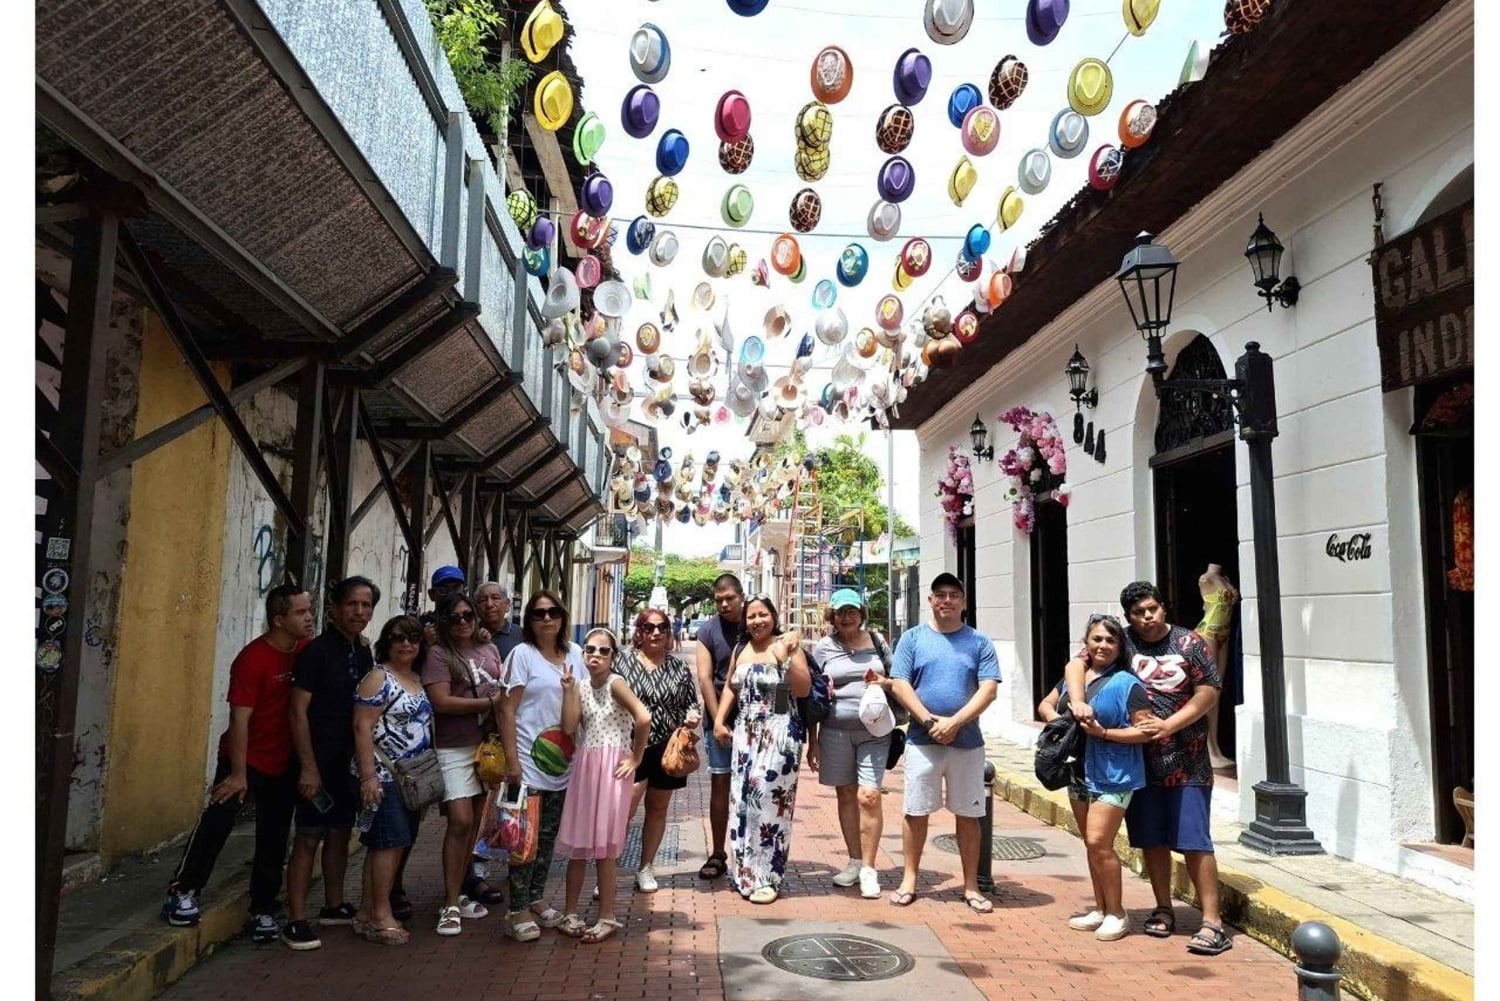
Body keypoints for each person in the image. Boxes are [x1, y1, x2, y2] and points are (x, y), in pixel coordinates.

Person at [1064, 581, 1228, 955]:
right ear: (1129, 618)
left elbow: (1208, 691)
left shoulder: (1190, 644)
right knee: (1152, 840)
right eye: (1138, 613)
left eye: (1152, 608)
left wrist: (1170, 725)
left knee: (1194, 840)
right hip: (1141, 763)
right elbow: (1077, 663)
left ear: (1163, 608)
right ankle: (1163, 907)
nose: (1147, 617)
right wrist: (1077, 701)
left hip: (1188, 760)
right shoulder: (1122, 642)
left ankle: (1212, 922)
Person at [162, 586, 315, 938]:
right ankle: (183, 891)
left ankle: (262, 909)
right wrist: (238, 773)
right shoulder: (252, 660)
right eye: (300, 612)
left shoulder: (306, 651)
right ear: (279, 619)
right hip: (244, 759)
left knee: (274, 837)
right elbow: (239, 720)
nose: (308, 617)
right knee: (217, 822)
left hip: (284, 761)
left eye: (310, 610)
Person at [887, 572, 1001, 912]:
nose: (947, 600)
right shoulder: (912, 639)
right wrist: (929, 721)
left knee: (968, 814)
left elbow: (989, 688)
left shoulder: (979, 642)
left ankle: (970, 886)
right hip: (922, 740)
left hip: (967, 742)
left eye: (954, 594)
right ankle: (909, 879)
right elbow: (900, 684)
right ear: (931, 600)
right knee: (915, 811)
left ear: (963, 602)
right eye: (941, 595)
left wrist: (955, 722)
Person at [1038, 615, 1153, 942]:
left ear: (1120, 647)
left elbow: (1143, 732)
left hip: (1115, 774)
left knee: (1099, 843)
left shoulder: (1128, 685)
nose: (1103, 645)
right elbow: (1046, 705)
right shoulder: (1074, 677)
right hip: (1078, 770)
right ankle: (1101, 908)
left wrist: (1104, 733)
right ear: (1086, 643)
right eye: (1097, 639)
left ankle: (1117, 912)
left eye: (1110, 640)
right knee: (1090, 844)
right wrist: (1061, 722)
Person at [283, 576, 377, 950]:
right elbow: (296, 713)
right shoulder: (315, 652)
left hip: (347, 764)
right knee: (308, 838)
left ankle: (333, 905)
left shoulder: (363, 652)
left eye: (366, 605)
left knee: (340, 832)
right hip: (315, 762)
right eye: (352, 604)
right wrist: (308, 767)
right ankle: (295, 919)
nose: (359, 612)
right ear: (334, 609)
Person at [498, 589, 585, 942]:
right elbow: (505, 709)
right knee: (523, 840)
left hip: (562, 764)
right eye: (538, 613)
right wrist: (512, 762)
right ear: (529, 620)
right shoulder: (522, 655)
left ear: (563, 616)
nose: (546, 619)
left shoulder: (575, 654)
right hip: (527, 763)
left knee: (547, 838)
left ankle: (535, 897)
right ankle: (515, 909)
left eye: (552, 612)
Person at [713, 595, 811, 904]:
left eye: (763, 615)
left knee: (769, 804)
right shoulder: (740, 650)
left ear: (774, 615)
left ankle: (768, 878)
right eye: (751, 616)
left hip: (779, 734)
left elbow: (803, 689)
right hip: (746, 736)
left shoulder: (788, 645)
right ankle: (745, 872)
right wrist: (719, 719)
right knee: (743, 803)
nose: (757, 621)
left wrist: (785, 658)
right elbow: (731, 685)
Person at [556, 629, 651, 943]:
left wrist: (636, 758)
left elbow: (643, 717)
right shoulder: (582, 686)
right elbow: (569, 727)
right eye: (589, 649)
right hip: (586, 767)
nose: (594, 655)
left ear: (613, 656)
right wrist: (569, 691)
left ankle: (607, 916)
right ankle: (570, 912)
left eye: (603, 651)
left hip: (611, 770)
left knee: (604, 848)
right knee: (579, 846)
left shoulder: (616, 683)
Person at [421, 592, 504, 935]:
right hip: (453, 747)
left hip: (485, 747)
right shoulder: (439, 654)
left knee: (474, 825)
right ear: (444, 621)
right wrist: (487, 703)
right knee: (459, 820)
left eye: (467, 615)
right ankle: (450, 902)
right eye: (454, 617)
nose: (463, 622)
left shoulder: (489, 649)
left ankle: (462, 891)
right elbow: (439, 701)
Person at [350, 615, 434, 946]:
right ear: (388, 641)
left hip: (411, 777)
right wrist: (368, 776)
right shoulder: (378, 678)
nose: (406, 644)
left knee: (389, 844)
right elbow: (361, 727)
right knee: (389, 843)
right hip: (384, 776)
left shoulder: (414, 677)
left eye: (413, 638)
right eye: (399, 637)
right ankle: (381, 913)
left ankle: (366, 911)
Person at [807, 589, 894, 900]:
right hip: (834, 731)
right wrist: (812, 741)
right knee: (845, 794)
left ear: (862, 613)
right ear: (832, 616)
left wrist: (883, 683)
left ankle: (870, 868)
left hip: (874, 731)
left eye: (853, 611)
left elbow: (897, 679)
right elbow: (814, 695)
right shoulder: (823, 649)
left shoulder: (878, 642)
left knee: (869, 795)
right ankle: (855, 860)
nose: (847, 617)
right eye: (841, 611)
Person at [617, 608, 702, 893]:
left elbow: (691, 703)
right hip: (630, 748)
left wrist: (692, 717)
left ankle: (646, 867)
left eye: (662, 628)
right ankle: (609, 871)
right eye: (649, 627)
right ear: (639, 632)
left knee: (657, 809)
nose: (655, 633)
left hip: (667, 749)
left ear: (669, 633)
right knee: (623, 810)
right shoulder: (623, 662)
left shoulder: (678, 668)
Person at [694, 573, 745, 880]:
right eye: (719, 600)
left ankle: (748, 850)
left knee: (752, 785)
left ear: (741, 596)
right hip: (719, 719)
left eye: (730, 598)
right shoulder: (707, 631)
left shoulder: (754, 621)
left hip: (754, 718)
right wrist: (718, 722)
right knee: (720, 784)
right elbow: (704, 678)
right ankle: (717, 852)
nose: (724, 604)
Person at [476, 581, 523, 662]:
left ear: (507, 604)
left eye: (495, 598)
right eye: (483, 600)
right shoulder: (469, 635)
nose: (489, 604)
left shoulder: (521, 635)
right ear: (476, 607)